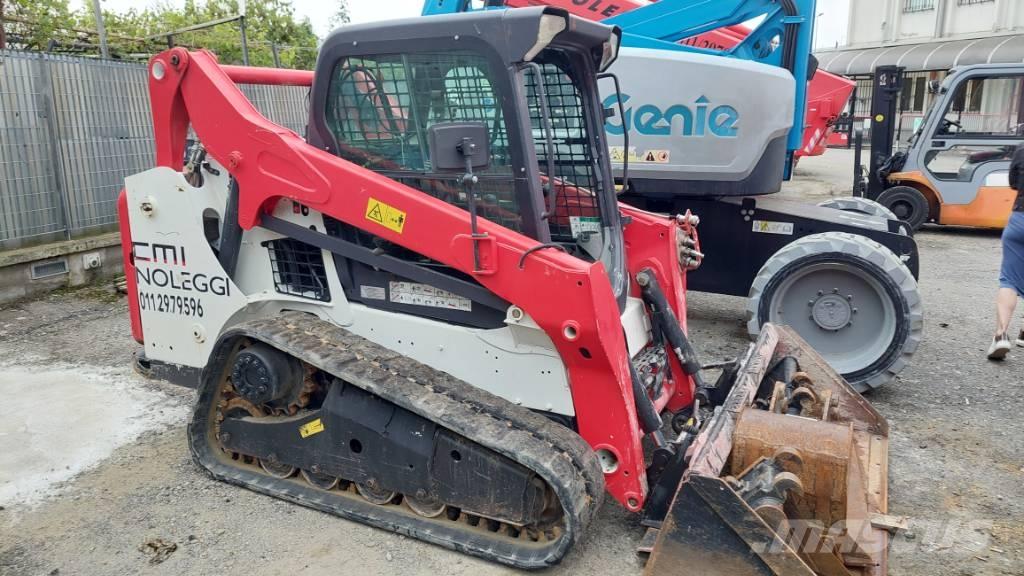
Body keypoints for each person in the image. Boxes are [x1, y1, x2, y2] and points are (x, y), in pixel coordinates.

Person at [988, 145, 1024, 359]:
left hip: (1020, 219)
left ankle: (1001, 335)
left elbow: (1013, 183)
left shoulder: (1022, 150)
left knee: (1009, 280)